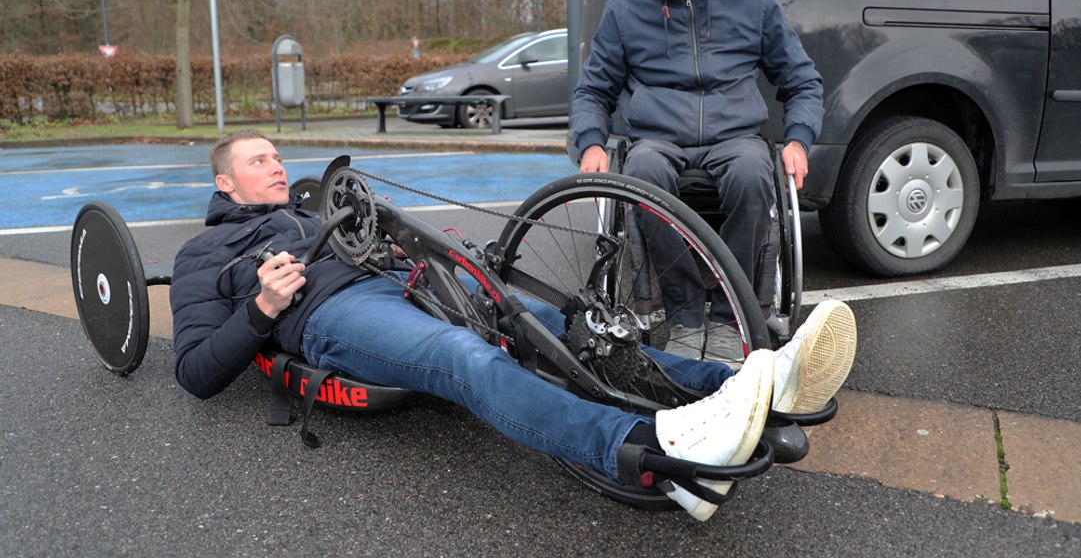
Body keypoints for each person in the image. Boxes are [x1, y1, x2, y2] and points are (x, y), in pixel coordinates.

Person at [170, 130, 856, 521]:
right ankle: (645, 443)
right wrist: (261, 309)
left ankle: (747, 384)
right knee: (463, 358)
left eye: (276, 156)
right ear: (224, 185)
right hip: (332, 313)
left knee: (560, 323)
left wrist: (400, 245)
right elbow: (194, 372)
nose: (276, 165)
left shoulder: (315, 211)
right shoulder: (203, 254)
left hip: (397, 278)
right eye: (257, 160)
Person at [570, 0, 825, 358]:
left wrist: (799, 140)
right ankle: (686, 315)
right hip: (658, 139)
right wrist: (590, 144)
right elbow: (593, 90)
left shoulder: (753, 0)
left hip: (735, 138)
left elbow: (802, 81)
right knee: (643, 175)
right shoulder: (627, 9)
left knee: (752, 175)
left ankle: (731, 318)